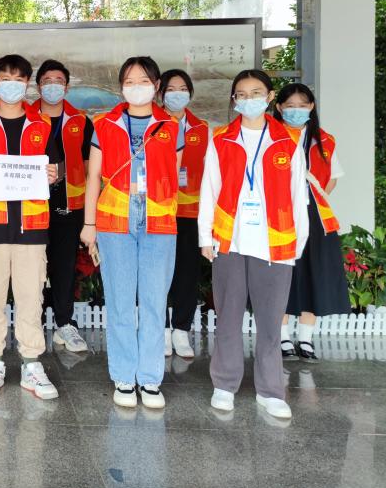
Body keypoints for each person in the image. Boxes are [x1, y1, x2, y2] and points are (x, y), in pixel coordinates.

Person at [198, 69, 309, 420]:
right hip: (230, 239)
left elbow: (298, 195)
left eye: (256, 92)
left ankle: (271, 390)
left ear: (270, 97)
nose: (249, 100)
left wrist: (299, 242)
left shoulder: (287, 140)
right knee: (228, 315)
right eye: (242, 94)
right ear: (234, 100)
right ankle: (224, 384)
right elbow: (209, 188)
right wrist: (205, 236)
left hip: (275, 241)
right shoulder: (221, 138)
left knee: (271, 320)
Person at [81, 56, 183, 410]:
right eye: (129, 81)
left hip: (159, 222)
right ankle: (124, 376)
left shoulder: (171, 127)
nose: (136, 87)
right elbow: (93, 176)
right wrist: (89, 224)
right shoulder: (105, 124)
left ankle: (150, 378)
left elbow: (173, 177)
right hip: (114, 221)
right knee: (121, 301)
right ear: (121, 87)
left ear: (156, 86)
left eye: (143, 81)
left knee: (154, 303)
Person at [0, 54, 61, 400]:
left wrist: (53, 174)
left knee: (31, 296)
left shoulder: (42, 125)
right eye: (6, 79)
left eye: (18, 79)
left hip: (31, 227)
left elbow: (55, 169)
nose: (12, 85)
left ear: (27, 84)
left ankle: (32, 364)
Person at [274, 82, 349, 361]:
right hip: (280, 215)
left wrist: (313, 199)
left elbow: (333, 178)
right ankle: (282, 337)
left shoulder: (324, 140)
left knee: (314, 274)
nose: (296, 110)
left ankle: (305, 338)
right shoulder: (270, 135)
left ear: (311, 107)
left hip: (316, 217)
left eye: (302, 105)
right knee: (282, 274)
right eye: (290, 106)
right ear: (279, 107)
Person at [35, 59, 93, 355]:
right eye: (47, 81)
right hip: (31, 206)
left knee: (65, 266)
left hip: (69, 205)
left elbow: (90, 167)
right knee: (31, 266)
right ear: (38, 86)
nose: (53, 86)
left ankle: (64, 323)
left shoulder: (81, 121)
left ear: (67, 87)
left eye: (58, 81)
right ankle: (31, 324)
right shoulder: (26, 118)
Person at [159, 69, 209, 360]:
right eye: (171, 89)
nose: (177, 94)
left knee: (187, 272)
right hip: (158, 210)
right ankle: (162, 330)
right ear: (160, 93)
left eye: (182, 89)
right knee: (159, 272)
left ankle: (181, 329)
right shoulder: (153, 124)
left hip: (191, 211)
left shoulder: (202, 128)